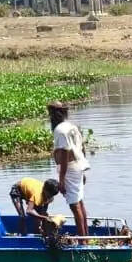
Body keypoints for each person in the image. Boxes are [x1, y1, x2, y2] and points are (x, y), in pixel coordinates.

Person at [48, 101, 89, 238]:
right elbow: (82, 148)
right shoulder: (72, 127)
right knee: (80, 202)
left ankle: (83, 242)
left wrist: (61, 180)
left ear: (54, 115)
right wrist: (82, 169)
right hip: (77, 166)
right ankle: (86, 237)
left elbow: (65, 153)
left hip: (70, 169)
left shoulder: (60, 130)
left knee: (74, 206)